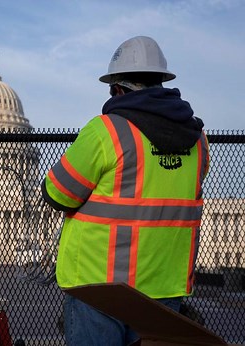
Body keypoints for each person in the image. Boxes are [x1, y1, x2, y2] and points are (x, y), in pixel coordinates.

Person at [41, 36, 209, 345]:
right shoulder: (199, 141)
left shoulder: (106, 130)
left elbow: (57, 193)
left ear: (118, 89)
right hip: (164, 288)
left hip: (101, 289)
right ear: (161, 82)